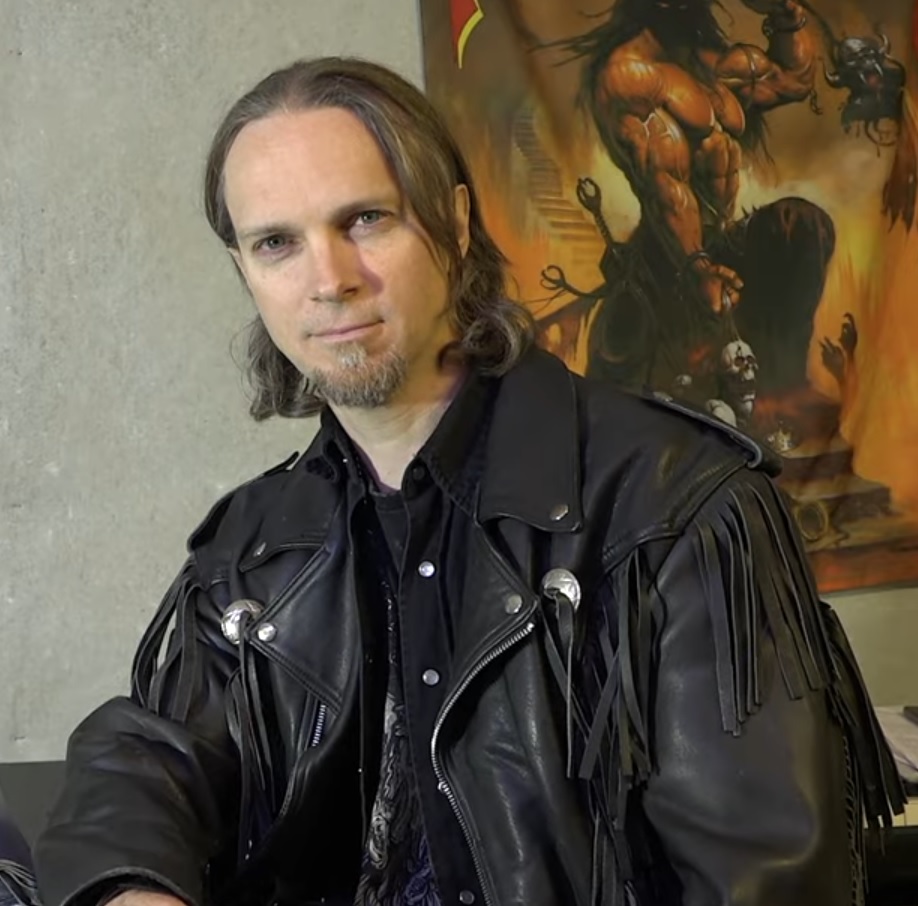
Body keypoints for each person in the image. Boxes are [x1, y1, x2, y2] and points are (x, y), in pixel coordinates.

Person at [35, 56, 904, 906]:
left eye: (366, 220)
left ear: (453, 223)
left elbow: (769, 881)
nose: (329, 281)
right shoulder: (253, 547)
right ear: (245, 273)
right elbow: (145, 762)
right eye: (276, 243)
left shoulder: (678, 507)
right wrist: (131, 890)